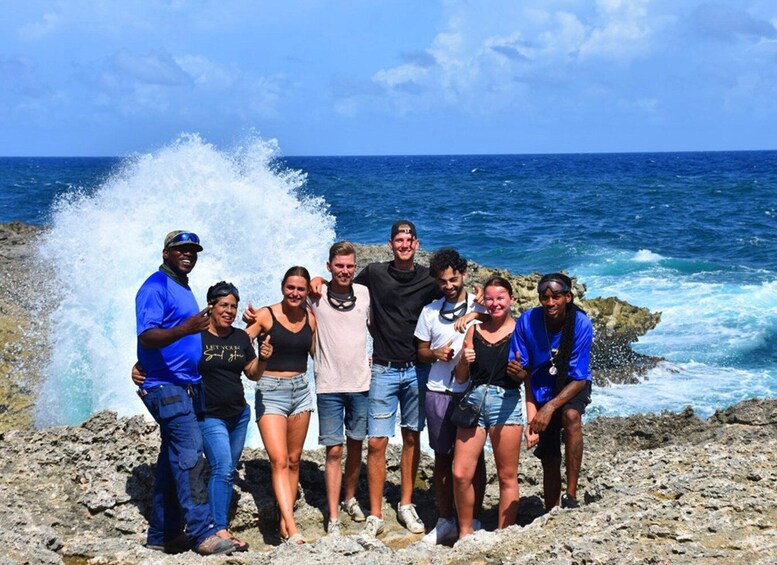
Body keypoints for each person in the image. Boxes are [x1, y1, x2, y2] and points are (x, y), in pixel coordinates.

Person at [310, 220, 441, 537]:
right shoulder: (373, 274)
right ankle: (376, 513)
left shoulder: (429, 279)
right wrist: (318, 279)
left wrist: (476, 306)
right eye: (399, 240)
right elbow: (341, 287)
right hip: (382, 368)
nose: (404, 244)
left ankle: (406, 504)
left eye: (409, 240)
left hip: (417, 370)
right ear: (391, 244)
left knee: (412, 437)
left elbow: (453, 296)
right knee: (376, 441)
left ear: (417, 244)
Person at [133, 281, 273, 551]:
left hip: (238, 414)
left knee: (226, 471)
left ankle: (184, 528)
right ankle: (217, 530)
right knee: (221, 467)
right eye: (224, 305)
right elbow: (169, 356)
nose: (229, 311)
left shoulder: (240, 338)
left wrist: (264, 359)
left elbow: (252, 373)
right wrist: (139, 368)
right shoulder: (194, 336)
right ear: (211, 307)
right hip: (207, 414)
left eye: (233, 306)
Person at [134, 230, 237, 555]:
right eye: (181, 250)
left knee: (172, 460)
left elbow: (168, 337)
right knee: (191, 453)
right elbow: (147, 335)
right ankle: (202, 533)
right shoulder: (156, 286)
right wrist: (185, 329)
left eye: (192, 251)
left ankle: (162, 535)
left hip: (184, 386)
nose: (188, 254)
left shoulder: (182, 286)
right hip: (165, 387)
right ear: (166, 253)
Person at [414, 248, 487, 545]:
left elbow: (501, 319)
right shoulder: (430, 311)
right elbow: (420, 350)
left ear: (464, 275)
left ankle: (474, 519)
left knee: (475, 460)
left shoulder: (480, 305)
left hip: (471, 392)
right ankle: (445, 520)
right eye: (443, 281)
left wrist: (477, 308)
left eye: (454, 279)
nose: (449, 286)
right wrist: (435, 353)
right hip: (438, 391)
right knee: (442, 458)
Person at [508, 273, 593, 511]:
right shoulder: (528, 320)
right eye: (544, 298)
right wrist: (516, 372)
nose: (550, 303)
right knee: (550, 455)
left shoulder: (581, 324)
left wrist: (549, 408)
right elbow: (523, 370)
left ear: (568, 297)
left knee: (571, 416)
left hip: (571, 384)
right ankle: (551, 509)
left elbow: (580, 378)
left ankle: (571, 495)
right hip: (541, 386)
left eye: (556, 297)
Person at [244, 266, 316, 545]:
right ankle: (292, 527)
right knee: (279, 460)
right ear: (282, 287)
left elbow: (320, 354)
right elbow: (242, 340)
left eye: (300, 289)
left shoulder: (311, 318)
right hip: (270, 391)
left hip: (301, 391)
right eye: (290, 287)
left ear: (307, 291)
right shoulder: (266, 315)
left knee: (294, 460)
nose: (295, 293)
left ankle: (285, 523)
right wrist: (254, 361)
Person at [452, 275, 526, 539]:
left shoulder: (521, 331)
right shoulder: (474, 329)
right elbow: (461, 378)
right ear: (484, 300)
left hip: (506, 403)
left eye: (501, 298)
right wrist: (463, 360)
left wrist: (520, 374)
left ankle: (503, 537)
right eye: (491, 299)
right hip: (474, 400)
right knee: (460, 473)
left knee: (507, 476)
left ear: (511, 299)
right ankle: (465, 533)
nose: (495, 304)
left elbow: (528, 376)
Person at [307, 242, 371, 536]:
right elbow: (291, 312)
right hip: (328, 385)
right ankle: (332, 516)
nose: (345, 271)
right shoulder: (315, 295)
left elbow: (379, 327)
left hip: (361, 383)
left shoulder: (364, 293)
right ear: (329, 266)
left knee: (356, 444)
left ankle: (350, 498)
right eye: (339, 266)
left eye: (349, 266)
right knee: (334, 450)